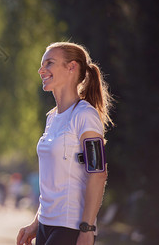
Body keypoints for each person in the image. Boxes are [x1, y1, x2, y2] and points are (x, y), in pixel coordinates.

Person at [17, 42, 113, 245]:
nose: (41, 70)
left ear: (72, 67)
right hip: (45, 224)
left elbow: (98, 173)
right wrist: (36, 223)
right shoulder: (51, 117)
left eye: (49, 63)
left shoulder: (85, 115)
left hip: (70, 226)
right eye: (42, 64)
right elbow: (53, 179)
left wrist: (87, 228)